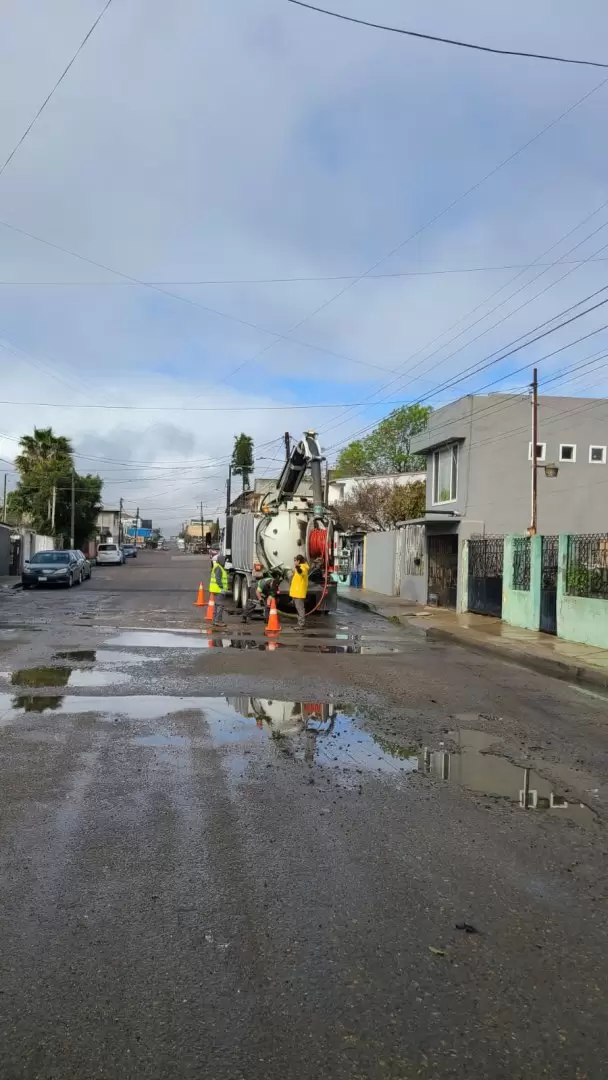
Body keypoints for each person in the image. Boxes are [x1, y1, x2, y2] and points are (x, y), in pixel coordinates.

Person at [288, 554, 309, 630]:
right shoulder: (301, 567)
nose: (294, 562)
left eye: (295, 561)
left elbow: (301, 572)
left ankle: (301, 624)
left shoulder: (302, 567)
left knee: (300, 608)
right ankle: (300, 623)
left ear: (298, 561)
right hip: (297, 592)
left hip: (299, 592)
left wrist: (297, 566)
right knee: (299, 608)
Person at [208, 553, 229, 629]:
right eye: (224, 561)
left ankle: (215, 620)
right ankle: (218, 621)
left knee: (217, 606)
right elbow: (218, 579)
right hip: (218, 590)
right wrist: (222, 588)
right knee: (220, 606)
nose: (225, 562)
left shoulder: (218, 567)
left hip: (216, 589)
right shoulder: (218, 568)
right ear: (221, 561)